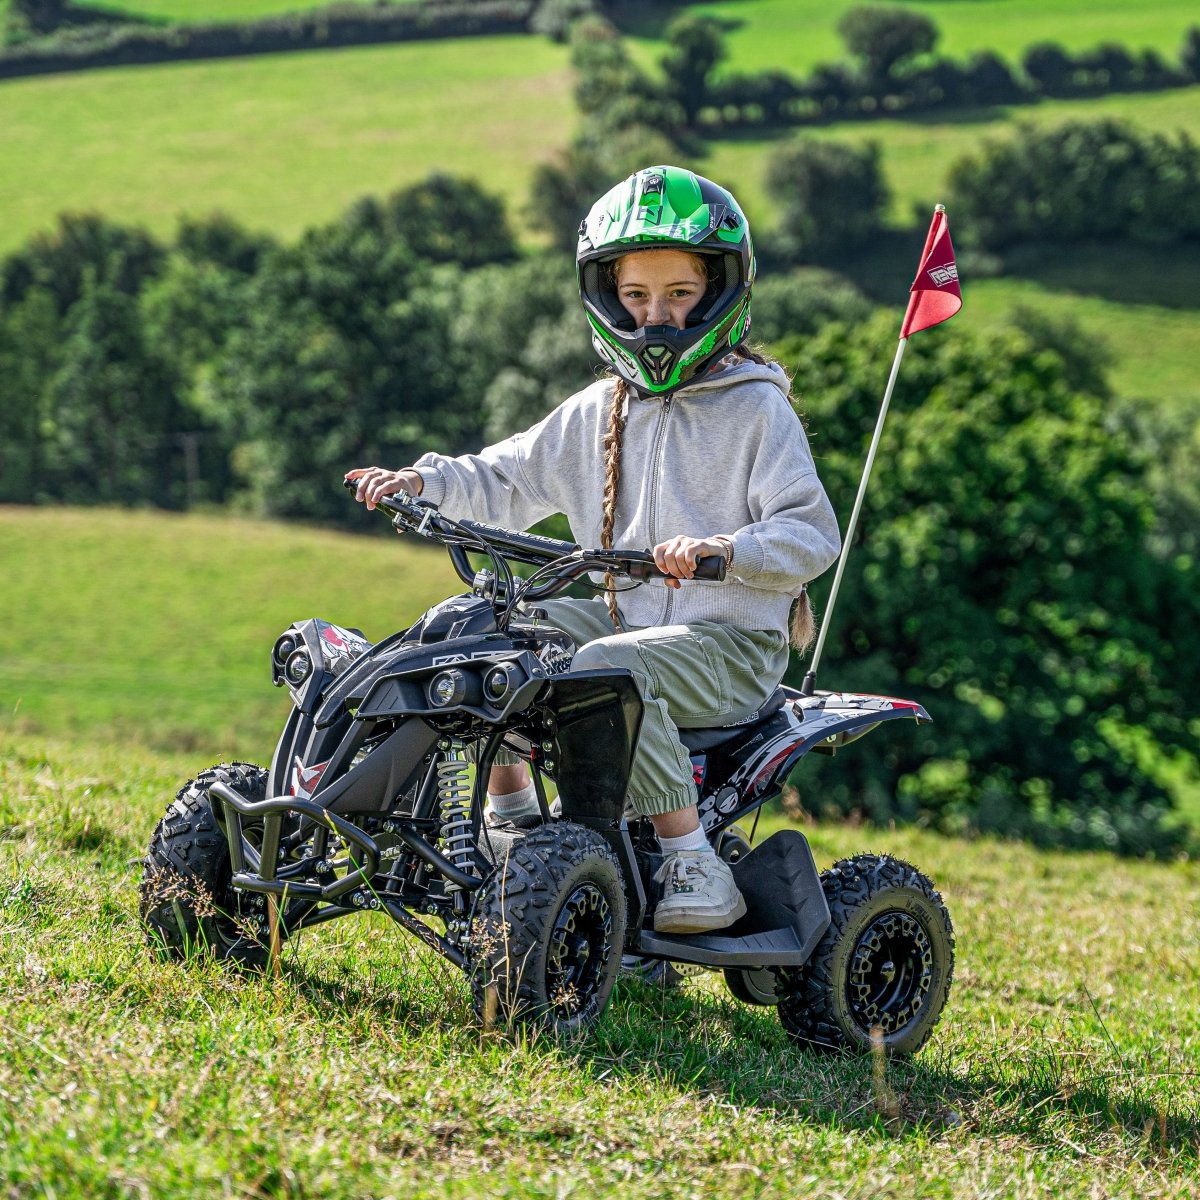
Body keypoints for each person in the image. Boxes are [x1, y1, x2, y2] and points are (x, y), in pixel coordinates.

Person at [348, 165, 840, 935]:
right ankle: (509, 817)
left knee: (606, 669)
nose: (655, 319)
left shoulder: (756, 409)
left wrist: (723, 550)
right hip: (625, 624)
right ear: (606, 297)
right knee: (480, 629)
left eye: (680, 296)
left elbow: (811, 535)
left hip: (731, 648)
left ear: (721, 292)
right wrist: (423, 482)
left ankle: (693, 864)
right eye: (636, 298)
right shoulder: (599, 408)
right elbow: (507, 474)